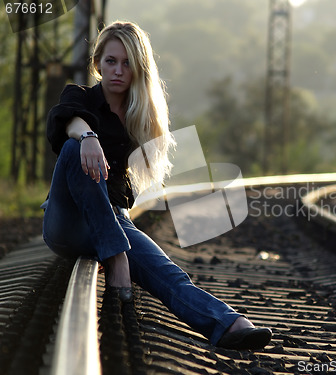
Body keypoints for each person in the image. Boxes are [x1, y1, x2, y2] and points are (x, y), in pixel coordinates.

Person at [42, 21, 271, 351]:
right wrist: (89, 137)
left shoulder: (141, 121)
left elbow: (124, 193)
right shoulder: (78, 97)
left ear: (138, 70)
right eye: (110, 61)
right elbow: (65, 119)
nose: (118, 71)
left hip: (111, 219)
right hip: (67, 220)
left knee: (168, 273)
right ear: (97, 64)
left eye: (127, 64)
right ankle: (116, 256)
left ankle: (228, 323)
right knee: (74, 148)